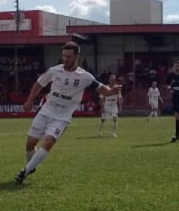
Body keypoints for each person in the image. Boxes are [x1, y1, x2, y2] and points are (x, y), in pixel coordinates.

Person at [15, 41, 122, 184]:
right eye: (64, 56)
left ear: (77, 56)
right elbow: (39, 84)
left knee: (48, 142)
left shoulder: (85, 77)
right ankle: (31, 165)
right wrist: (29, 100)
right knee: (30, 144)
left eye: (69, 56)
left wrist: (112, 91)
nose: (65, 59)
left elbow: (104, 90)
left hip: (62, 117)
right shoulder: (54, 70)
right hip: (46, 111)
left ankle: (25, 171)